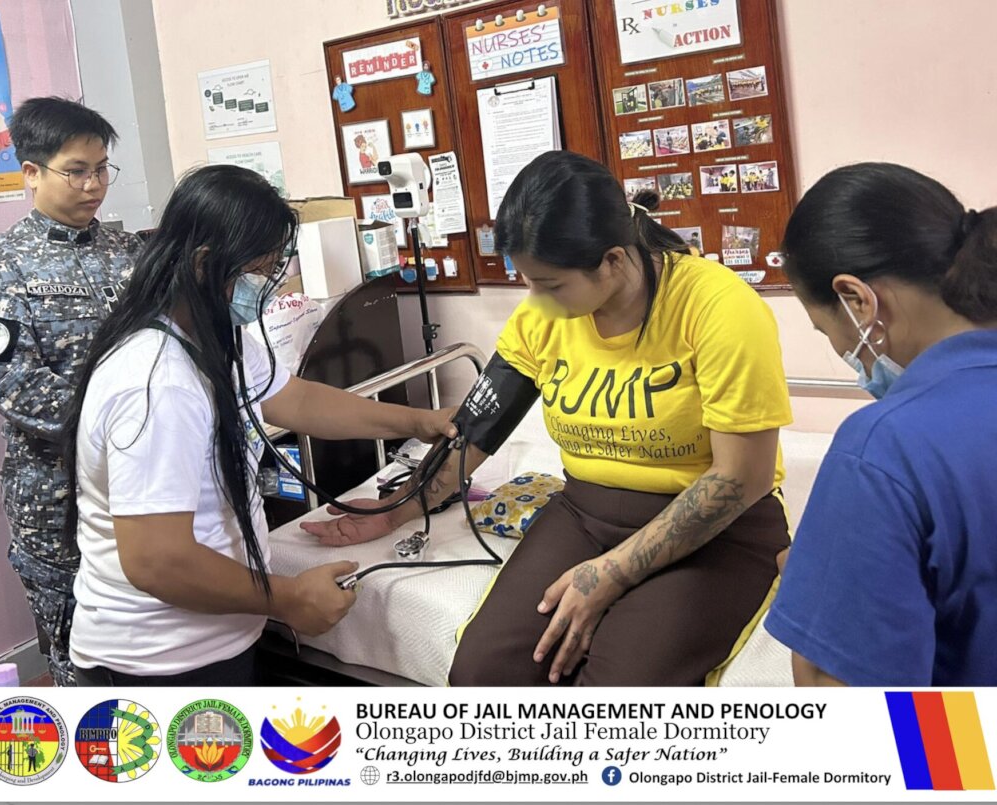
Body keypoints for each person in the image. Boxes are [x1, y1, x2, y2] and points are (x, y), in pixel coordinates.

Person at [307, 151, 793, 686]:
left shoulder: (718, 307)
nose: (534, 300)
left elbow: (740, 477)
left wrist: (612, 574)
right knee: (483, 672)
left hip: (716, 530)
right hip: (585, 513)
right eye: (527, 281)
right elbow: (477, 429)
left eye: (552, 284)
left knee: (619, 691)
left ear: (612, 259)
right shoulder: (541, 316)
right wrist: (400, 508)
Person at [63, 164, 457, 686]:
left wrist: (417, 421)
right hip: (155, 663)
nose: (268, 287)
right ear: (205, 264)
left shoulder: (212, 336)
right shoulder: (159, 383)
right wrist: (288, 597)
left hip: (210, 642)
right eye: (260, 272)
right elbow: (157, 560)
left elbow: (297, 401)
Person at [765, 163, 997, 687]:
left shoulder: (884, 448)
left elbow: (853, 713)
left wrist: (817, 590)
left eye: (824, 329)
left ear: (857, 300)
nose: (839, 349)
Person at [0, 97, 142, 686]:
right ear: (31, 172)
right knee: (80, 661)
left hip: (140, 486)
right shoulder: (1, 266)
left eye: (101, 169)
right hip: (56, 500)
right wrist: (129, 426)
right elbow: (15, 385)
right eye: (76, 171)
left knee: (144, 642)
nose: (93, 185)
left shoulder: (130, 255)